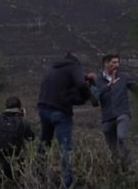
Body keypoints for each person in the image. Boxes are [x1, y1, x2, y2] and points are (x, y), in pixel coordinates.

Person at [37, 53, 90, 189]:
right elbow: (80, 84)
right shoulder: (74, 66)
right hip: (60, 111)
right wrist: (88, 95)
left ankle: (39, 176)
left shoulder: (52, 68)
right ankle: (67, 182)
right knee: (65, 147)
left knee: (44, 144)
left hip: (44, 108)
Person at [94, 54, 138, 172]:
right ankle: (117, 172)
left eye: (118, 62)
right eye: (113, 62)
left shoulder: (124, 77)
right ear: (106, 63)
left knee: (122, 137)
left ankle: (128, 168)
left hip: (122, 113)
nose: (116, 65)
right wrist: (108, 86)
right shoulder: (98, 80)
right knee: (112, 149)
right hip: (107, 118)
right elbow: (94, 98)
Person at [0, 96, 34, 185]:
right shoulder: (22, 120)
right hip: (16, 158)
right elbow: (30, 137)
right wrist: (24, 116)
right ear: (19, 107)